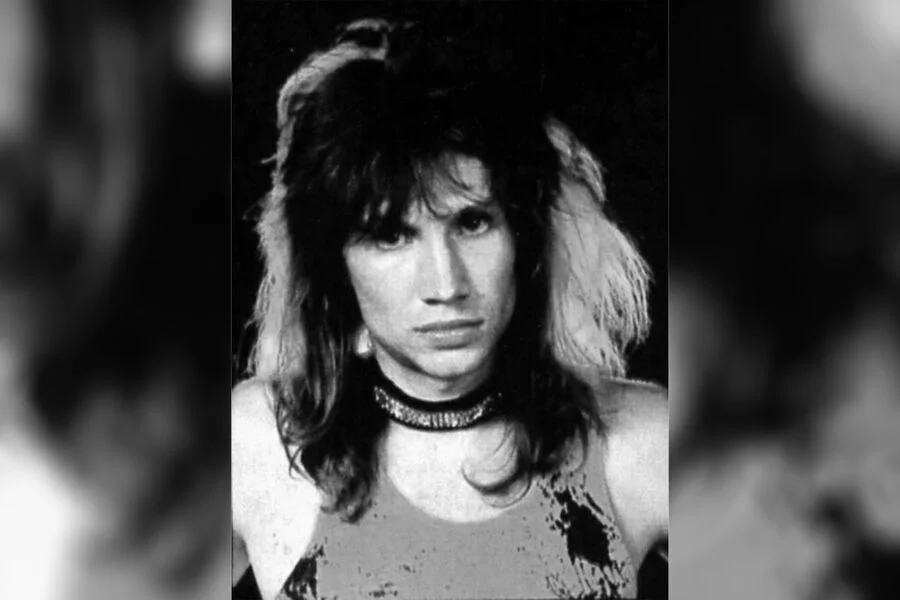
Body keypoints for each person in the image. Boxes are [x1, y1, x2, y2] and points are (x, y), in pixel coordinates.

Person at [233, 17, 667, 600]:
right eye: (391, 235)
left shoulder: (639, 441)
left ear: (526, 239)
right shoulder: (256, 442)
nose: (446, 283)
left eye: (473, 222)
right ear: (334, 267)